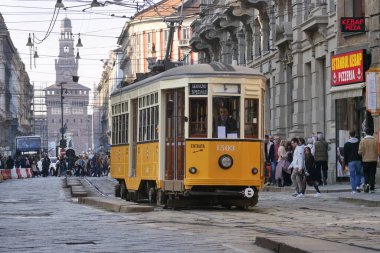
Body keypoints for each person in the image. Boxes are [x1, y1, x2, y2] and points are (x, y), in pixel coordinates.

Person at [358, 128, 377, 193]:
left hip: (365, 160)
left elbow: (360, 152)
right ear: (371, 133)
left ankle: (367, 184)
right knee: (372, 174)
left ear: (365, 133)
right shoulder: (375, 140)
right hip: (374, 160)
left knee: (366, 174)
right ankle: (372, 188)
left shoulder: (363, 141)